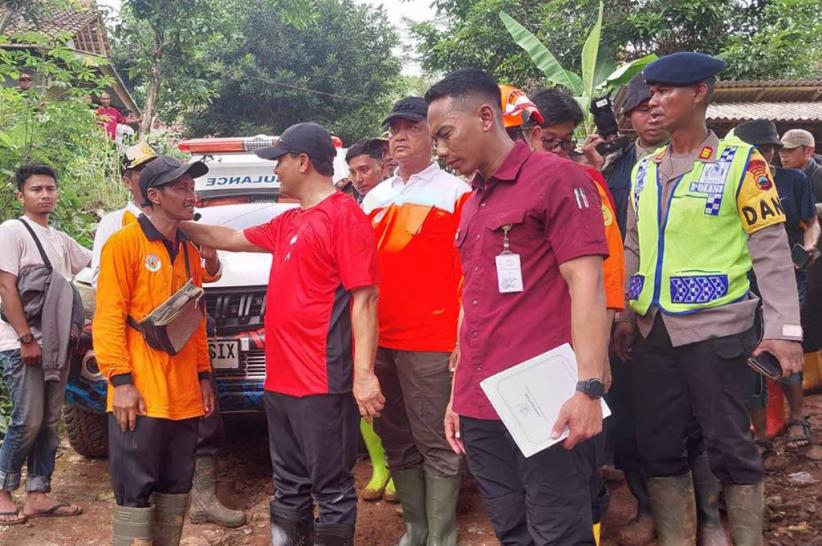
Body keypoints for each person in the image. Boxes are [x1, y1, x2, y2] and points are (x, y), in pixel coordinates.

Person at [612, 52, 805, 546]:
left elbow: (771, 252)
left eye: (664, 92)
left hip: (717, 332)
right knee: (658, 444)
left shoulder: (742, 163)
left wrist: (784, 331)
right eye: (650, 93)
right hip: (653, 332)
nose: (653, 103)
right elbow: (633, 244)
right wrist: (626, 316)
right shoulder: (646, 169)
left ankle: (740, 535)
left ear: (698, 93)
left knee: (728, 443)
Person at [426, 68, 610, 545]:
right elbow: (473, 299)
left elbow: (586, 282)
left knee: (558, 530)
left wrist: (588, 387)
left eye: (445, 134)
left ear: (486, 116)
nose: (440, 150)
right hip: (480, 403)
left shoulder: (558, 178)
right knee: (511, 528)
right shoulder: (473, 203)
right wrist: (456, 396)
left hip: (545, 402)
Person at [181, 122, 383, 546]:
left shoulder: (345, 217)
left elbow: (365, 300)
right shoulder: (290, 220)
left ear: (303, 162)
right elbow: (231, 237)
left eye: (280, 162)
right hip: (281, 380)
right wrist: (172, 222)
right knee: (288, 483)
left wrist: (364, 374)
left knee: (330, 486)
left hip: (322, 381)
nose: (276, 171)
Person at [90, 143, 242, 528]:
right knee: (135, 493)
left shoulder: (189, 251)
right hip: (140, 394)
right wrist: (120, 382)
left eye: (193, 187)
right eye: (181, 187)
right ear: (153, 196)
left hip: (185, 396)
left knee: (176, 488)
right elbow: (108, 318)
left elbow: (194, 321)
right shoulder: (123, 244)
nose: (192, 195)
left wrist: (204, 377)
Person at [515, 84, 624, 545]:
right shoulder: (497, 187)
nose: (557, 150)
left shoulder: (585, 182)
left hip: (574, 345)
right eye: (548, 140)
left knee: (579, 450)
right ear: (526, 134)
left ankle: (591, 530)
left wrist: (599, 352)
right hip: (524, 344)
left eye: (565, 142)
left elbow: (609, 269)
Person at [362, 96, 470, 546]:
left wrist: (463, 341)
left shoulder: (456, 193)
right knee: (397, 438)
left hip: (432, 341)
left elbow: (471, 274)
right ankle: (416, 530)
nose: (399, 136)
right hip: (380, 340)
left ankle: (441, 537)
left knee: (438, 441)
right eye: (394, 129)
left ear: (433, 135)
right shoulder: (373, 197)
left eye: (411, 127)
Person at [0, 163, 90, 525]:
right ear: (21, 195)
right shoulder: (11, 231)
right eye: (37, 189)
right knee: (27, 419)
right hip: (19, 343)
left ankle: (38, 493)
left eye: (50, 188)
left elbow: (93, 263)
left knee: (50, 422)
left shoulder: (59, 238)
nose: (45, 195)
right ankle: (3, 491)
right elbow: (6, 287)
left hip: (54, 345)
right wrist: (25, 338)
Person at [736, 119, 820, 453]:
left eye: (771, 149)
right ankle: (760, 431)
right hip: (745, 279)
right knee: (751, 350)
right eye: (760, 149)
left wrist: (809, 246)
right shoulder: (733, 183)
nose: (769, 155)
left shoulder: (794, 180)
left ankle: (797, 418)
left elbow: (810, 224)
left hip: (787, 276)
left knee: (784, 341)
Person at [339, 137, 398, 504]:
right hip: (361, 314)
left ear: (385, 164)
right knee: (364, 394)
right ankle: (379, 466)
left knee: (396, 395)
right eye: (353, 172)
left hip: (398, 314)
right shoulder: (350, 207)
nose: (359, 178)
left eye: (365, 170)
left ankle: (398, 465)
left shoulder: (398, 201)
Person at [780, 129, 822, 204]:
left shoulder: (818, 175)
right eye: (781, 150)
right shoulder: (779, 176)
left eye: (790, 150)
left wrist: (810, 210)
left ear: (809, 151)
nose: (783, 155)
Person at [342, 138, 387, 204]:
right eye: (353, 173)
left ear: (382, 168)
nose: (358, 179)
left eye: (364, 170)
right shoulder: (353, 207)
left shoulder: (399, 202)